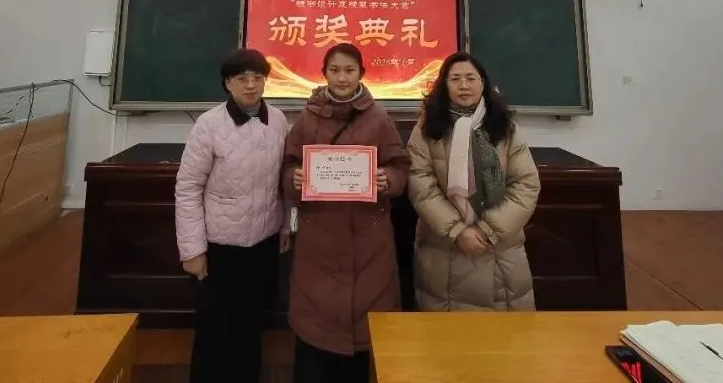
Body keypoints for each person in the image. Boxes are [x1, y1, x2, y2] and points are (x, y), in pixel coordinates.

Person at [281, 43, 410, 383]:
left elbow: (401, 167)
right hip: (319, 240)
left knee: (361, 337)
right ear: (324, 73)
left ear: (361, 74)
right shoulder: (308, 118)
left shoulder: (379, 118)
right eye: (335, 70)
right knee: (314, 336)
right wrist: (294, 179)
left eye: (349, 70)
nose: (342, 77)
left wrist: (388, 179)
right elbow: (289, 164)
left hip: (369, 242)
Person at [174, 48, 291, 383]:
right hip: (219, 248)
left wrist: (286, 225)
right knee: (214, 328)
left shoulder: (279, 120)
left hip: (263, 244)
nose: (251, 85)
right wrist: (193, 250)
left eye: (257, 77)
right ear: (228, 83)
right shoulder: (209, 125)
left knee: (251, 324)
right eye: (242, 78)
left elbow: (282, 182)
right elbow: (188, 188)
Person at [407, 52, 541, 311]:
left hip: (499, 248)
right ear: (445, 85)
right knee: (446, 333)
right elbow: (421, 186)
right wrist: (458, 230)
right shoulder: (427, 128)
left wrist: (488, 231)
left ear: (483, 83)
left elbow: (526, 184)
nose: (464, 85)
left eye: (470, 78)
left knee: (506, 333)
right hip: (443, 249)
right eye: (455, 79)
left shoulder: (505, 127)